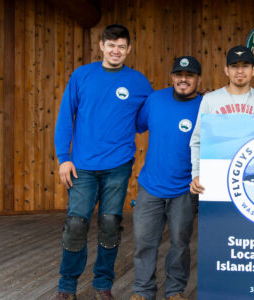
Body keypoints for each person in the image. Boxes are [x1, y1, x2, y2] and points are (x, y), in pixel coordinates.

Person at [54, 24, 153, 300]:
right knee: (76, 224)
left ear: (129, 49)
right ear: (101, 46)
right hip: (83, 165)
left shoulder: (138, 82)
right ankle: (67, 286)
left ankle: (102, 284)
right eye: (111, 45)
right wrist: (64, 158)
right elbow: (65, 118)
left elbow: (144, 122)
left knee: (110, 223)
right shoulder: (82, 76)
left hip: (118, 165)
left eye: (121, 46)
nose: (116, 51)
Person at [130, 56, 203, 300]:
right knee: (144, 243)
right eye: (179, 75)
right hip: (150, 186)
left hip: (184, 189)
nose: (183, 80)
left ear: (197, 79)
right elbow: (137, 125)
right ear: (172, 77)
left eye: (189, 75)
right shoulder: (155, 99)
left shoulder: (205, 106)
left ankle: (174, 291)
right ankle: (142, 290)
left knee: (180, 245)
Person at [189, 45, 254, 195]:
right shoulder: (210, 100)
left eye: (245, 66)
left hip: (251, 175)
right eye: (234, 66)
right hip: (216, 175)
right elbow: (197, 140)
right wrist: (196, 173)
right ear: (226, 70)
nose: (239, 71)